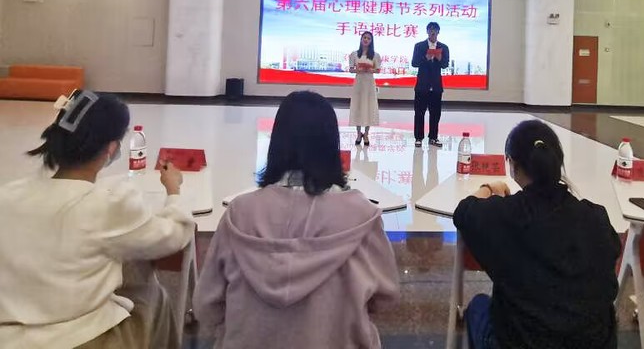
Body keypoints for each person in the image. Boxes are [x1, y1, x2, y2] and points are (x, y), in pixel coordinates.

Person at [195, 91, 399, 349]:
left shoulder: (239, 213)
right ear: (330, 145)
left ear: (277, 142)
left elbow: (206, 306)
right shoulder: (361, 216)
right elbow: (386, 297)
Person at [0, 90, 194, 349]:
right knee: (152, 296)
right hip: (78, 338)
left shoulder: (8, 195)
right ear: (111, 148)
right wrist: (174, 191)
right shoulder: (109, 205)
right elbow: (173, 235)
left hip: (9, 337)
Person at [453, 120, 621, 349]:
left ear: (513, 165)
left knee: (477, 307)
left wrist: (489, 188)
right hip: (595, 342)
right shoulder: (595, 217)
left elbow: (464, 211)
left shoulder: (505, 215)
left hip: (522, 341)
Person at [411, 21, 450, 148]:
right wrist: (425, 58)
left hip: (436, 86)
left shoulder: (444, 47)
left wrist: (439, 58)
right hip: (422, 85)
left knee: (435, 113)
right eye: (430, 29)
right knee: (419, 112)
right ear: (427, 31)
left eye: (435, 30)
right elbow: (414, 63)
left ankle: (433, 137)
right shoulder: (419, 46)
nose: (432, 32)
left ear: (438, 32)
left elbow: (445, 64)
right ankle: (418, 138)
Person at [349, 31, 381, 146]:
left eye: (368, 38)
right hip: (359, 83)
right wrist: (358, 69)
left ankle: (366, 134)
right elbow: (351, 69)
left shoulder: (375, 55)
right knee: (358, 106)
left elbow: (378, 70)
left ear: (371, 41)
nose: (366, 40)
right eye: (364, 37)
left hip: (369, 83)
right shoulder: (354, 54)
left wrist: (370, 70)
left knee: (369, 107)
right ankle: (358, 133)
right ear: (361, 39)